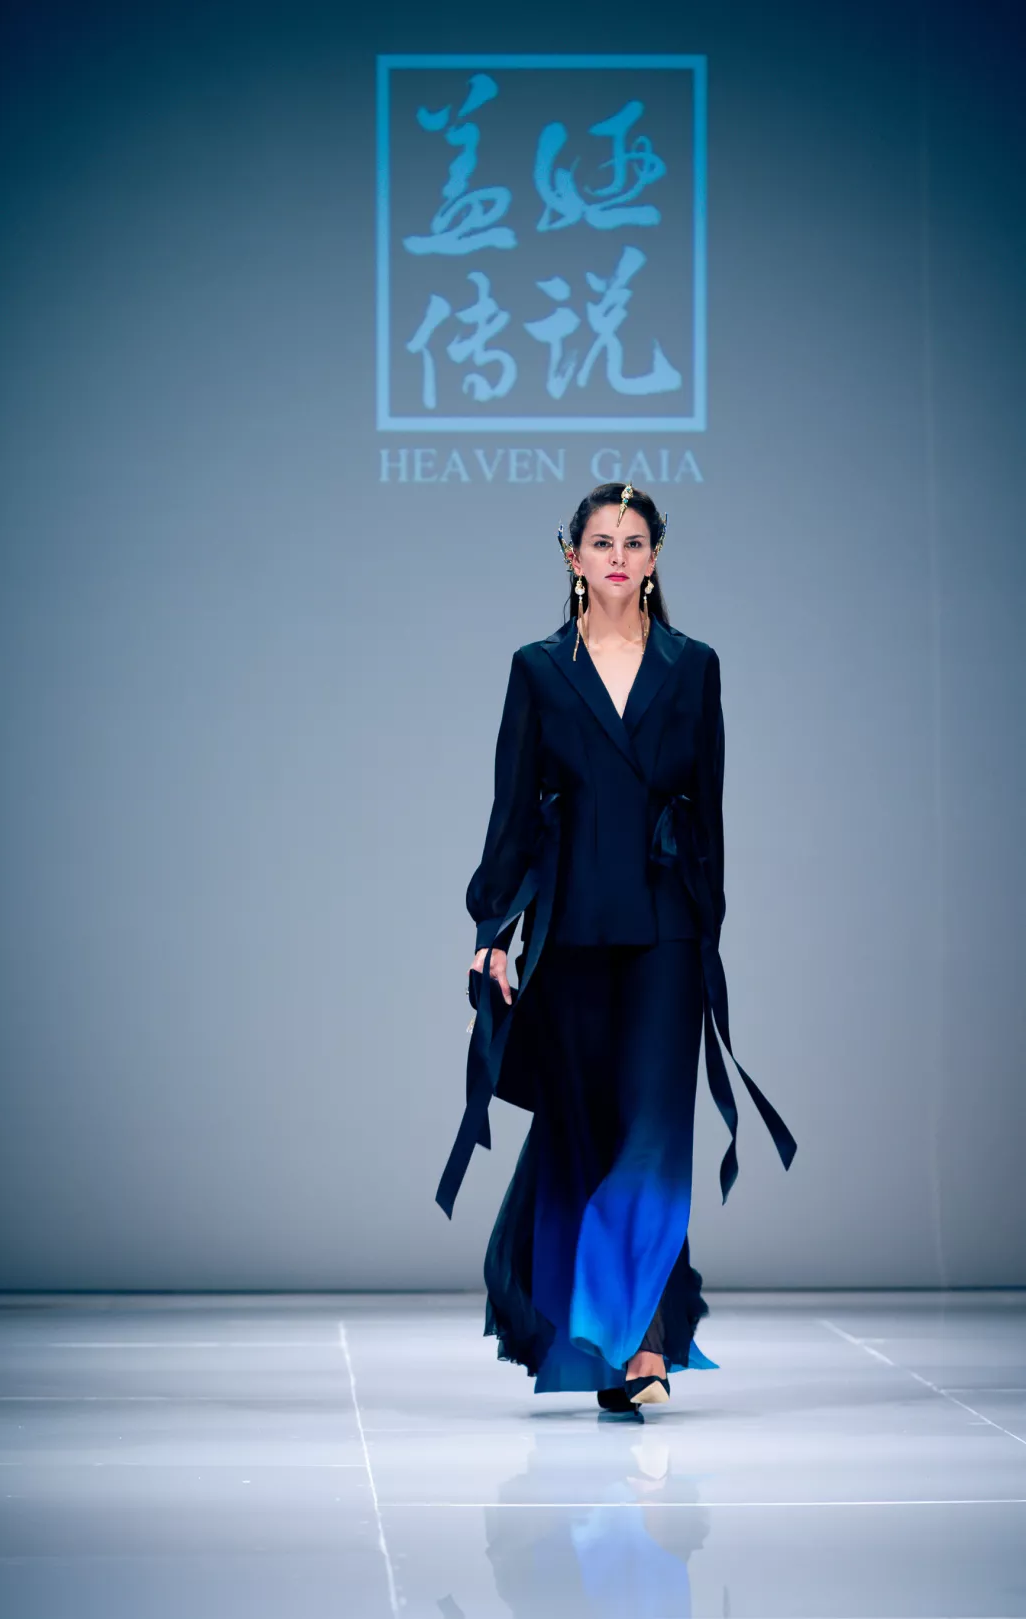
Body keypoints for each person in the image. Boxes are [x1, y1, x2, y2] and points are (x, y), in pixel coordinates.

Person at [435, 483, 796, 1413]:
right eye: (602, 542)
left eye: (635, 542)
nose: (619, 557)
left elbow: (710, 809)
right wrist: (491, 931)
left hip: (667, 925)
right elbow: (513, 810)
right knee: (591, 1131)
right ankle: (618, 1337)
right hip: (571, 927)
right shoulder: (538, 669)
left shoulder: (693, 665)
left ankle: (640, 1346)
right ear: (573, 557)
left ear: (656, 555)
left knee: (654, 1132)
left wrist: (709, 925)